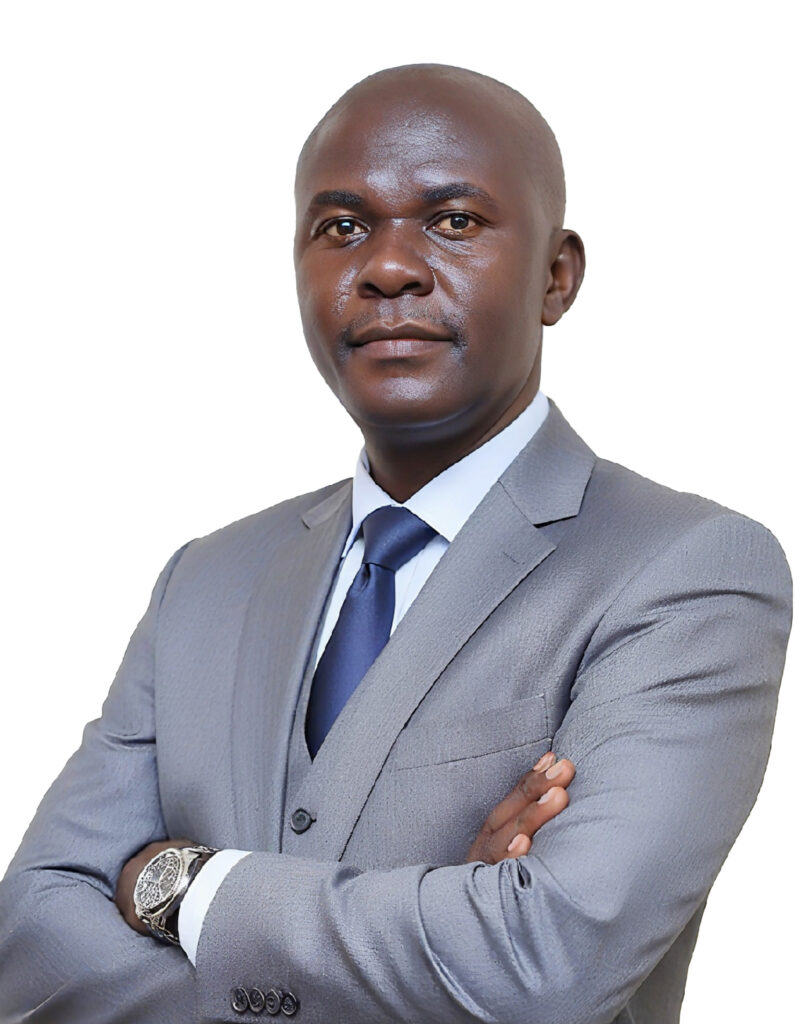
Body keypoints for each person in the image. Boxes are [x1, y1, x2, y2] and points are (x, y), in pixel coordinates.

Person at [0, 62, 791, 1024]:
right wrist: (445, 918)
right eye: (342, 227)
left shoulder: (689, 572)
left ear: (556, 275)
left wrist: (179, 883)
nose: (386, 268)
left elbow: (546, 963)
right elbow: (30, 937)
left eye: (453, 220)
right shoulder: (204, 580)